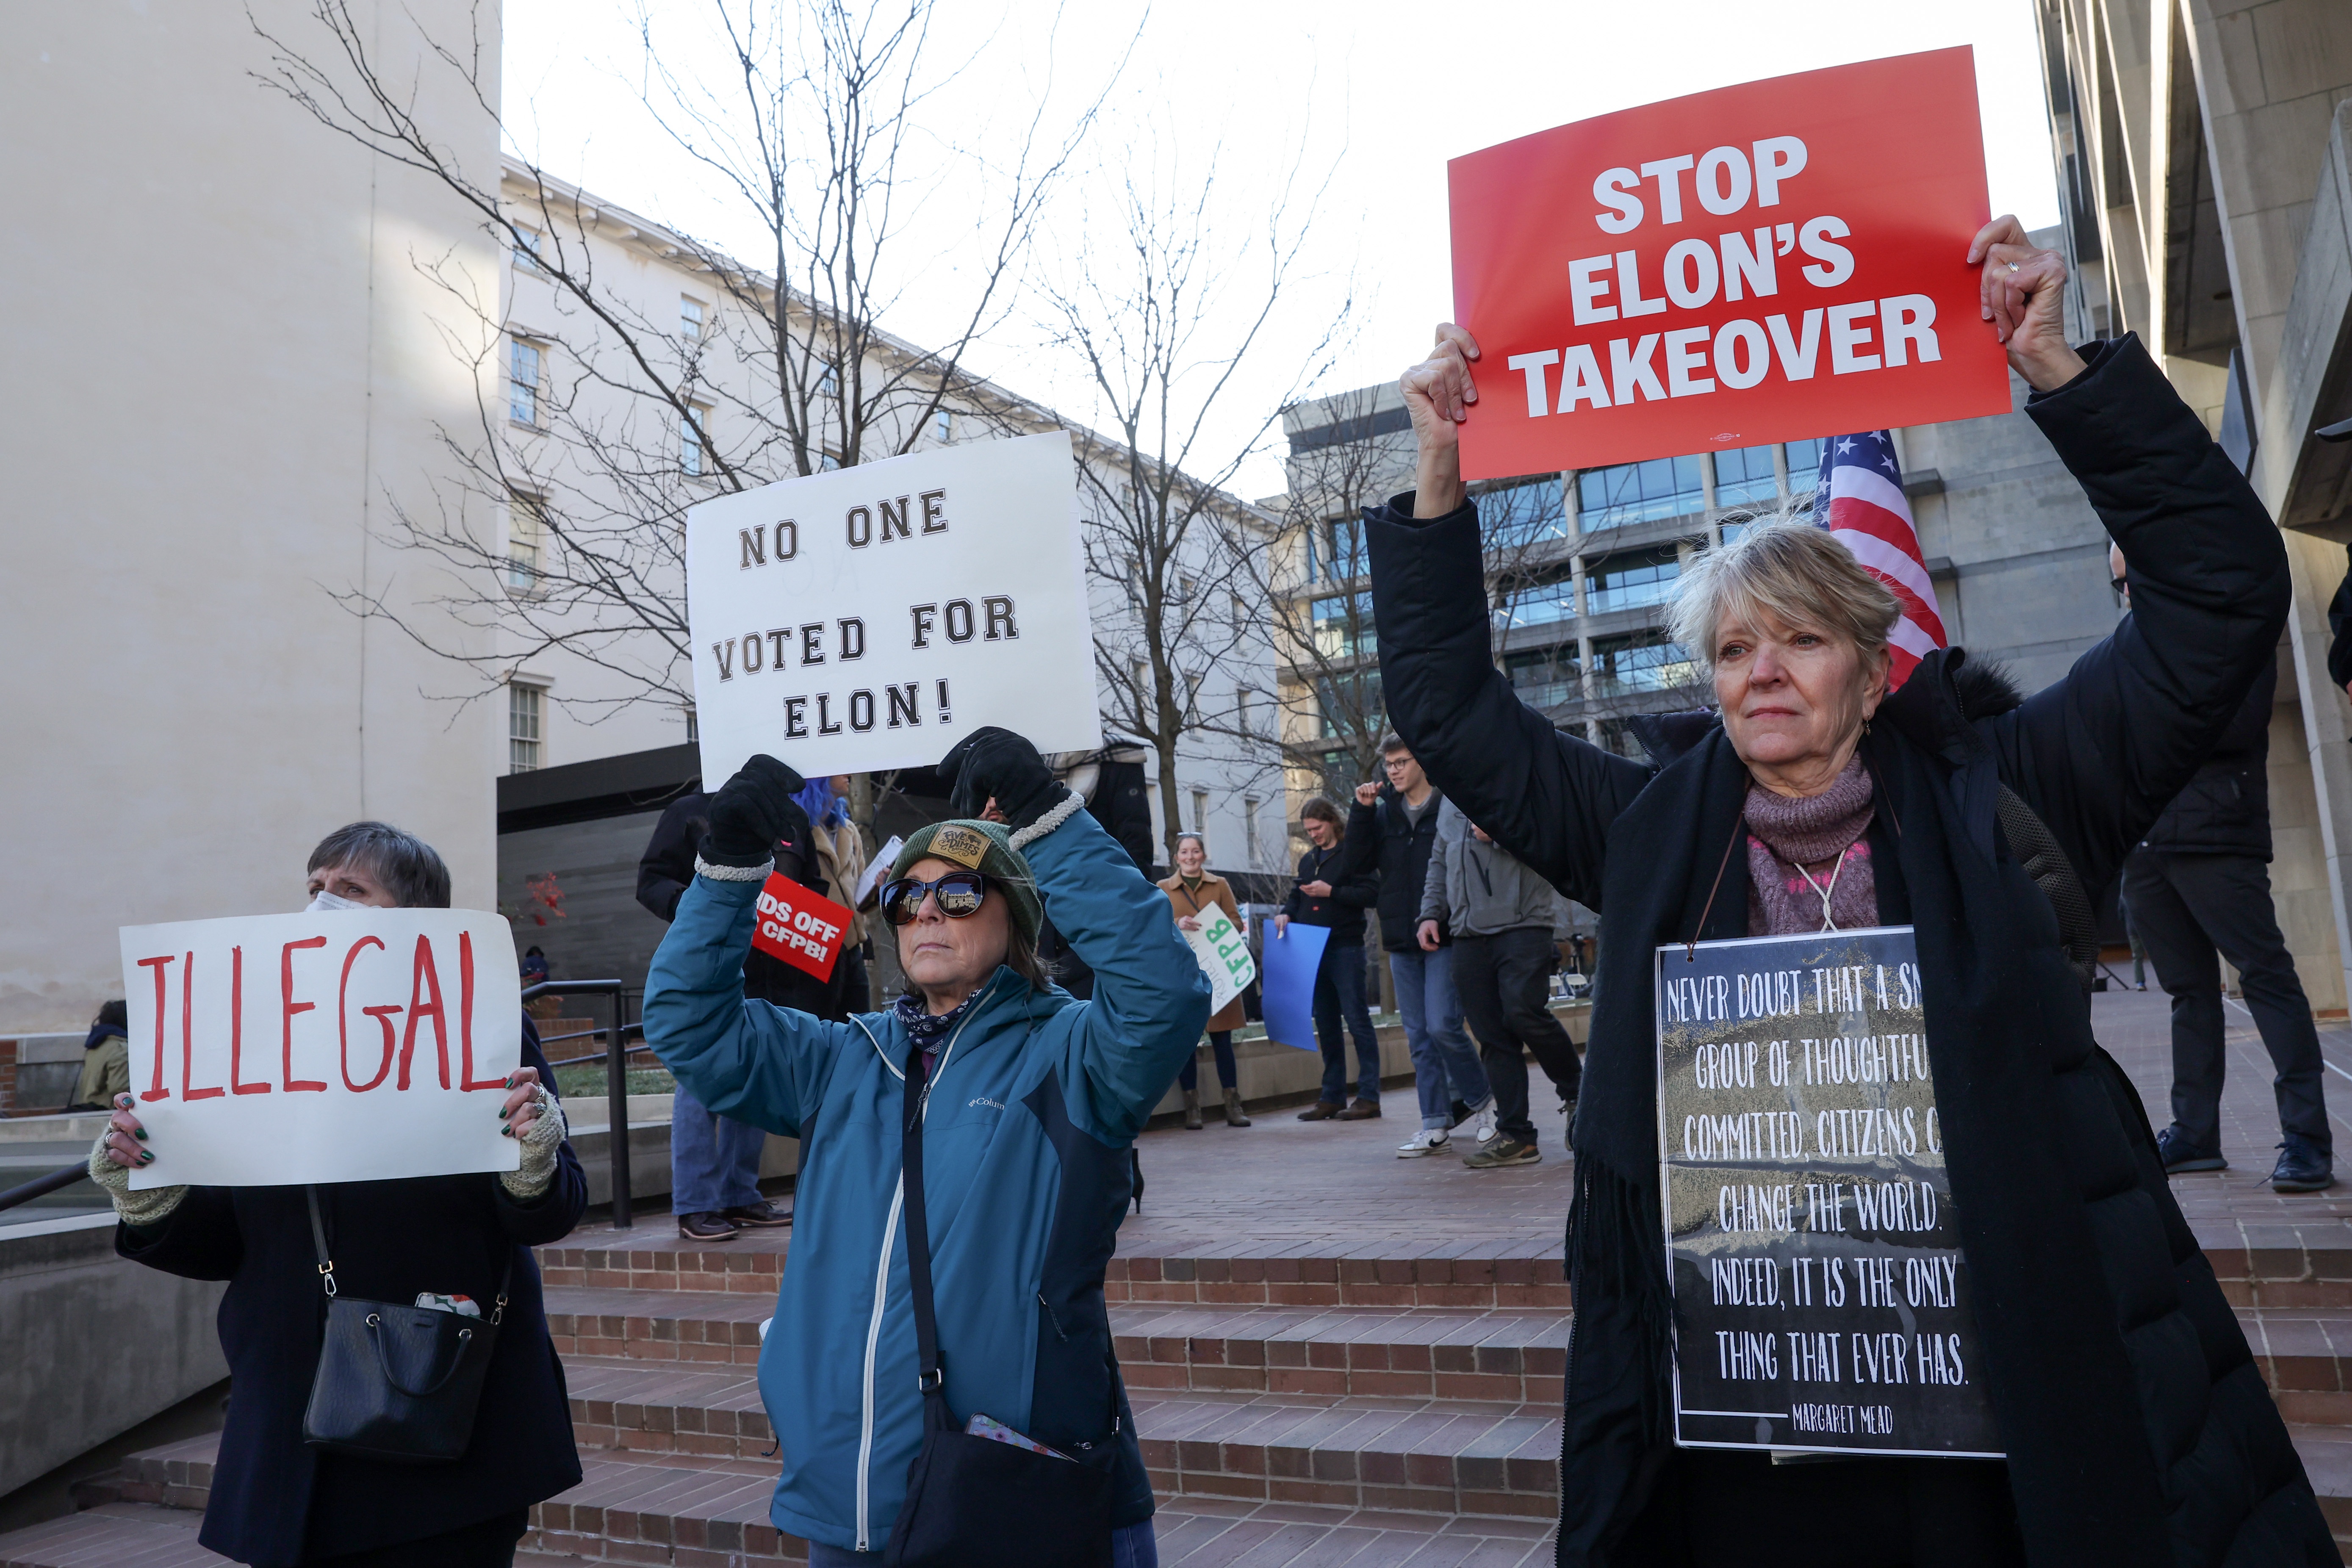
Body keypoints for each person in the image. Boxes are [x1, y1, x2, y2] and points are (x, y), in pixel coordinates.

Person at [1365, 219, 2333, 1563]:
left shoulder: (2014, 791)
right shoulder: (1654, 835)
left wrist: (2056, 366)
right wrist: (1435, 474)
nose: (1761, 669)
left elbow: (2221, 594)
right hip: (1761, 1412)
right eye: (1732, 647)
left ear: (1874, 672)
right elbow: (1453, 712)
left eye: (1802, 638)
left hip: (2012, 1389)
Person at [640, 731, 1207, 1565]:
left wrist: (1048, 816)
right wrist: (726, 873)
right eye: (906, 899)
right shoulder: (846, 1058)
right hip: (849, 1495)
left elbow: (1163, 993)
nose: (927, 911)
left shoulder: (1071, 1055)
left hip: (1012, 1491)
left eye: (959, 892)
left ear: (1013, 910)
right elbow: (693, 1029)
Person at [89, 821, 586, 1568]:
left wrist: (528, 1159)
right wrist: (146, 1194)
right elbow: (230, 1241)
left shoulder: (476, 1026)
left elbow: (550, 1206)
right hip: (292, 1419)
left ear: (413, 921)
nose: (323, 905)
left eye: (351, 890)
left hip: (437, 1403)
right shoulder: (253, 1042)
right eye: (315, 887)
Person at [2112, 544, 2333, 1190]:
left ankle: (2307, 1140)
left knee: (2266, 977)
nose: (2125, 592)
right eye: (2117, 582)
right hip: (2146, 841)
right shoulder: (2133, 643)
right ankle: (2195, 1134)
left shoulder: (2228, 629)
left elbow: (2234, 724)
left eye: (2134, 577)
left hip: (2215, 833)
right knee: (2188, 993)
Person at [637, 784, 816, 1240]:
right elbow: (651, 882)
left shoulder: (791, 817)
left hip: (773, 973)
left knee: (752, 1075)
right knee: (698, 1088)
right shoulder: (687, 811)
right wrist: (696, 909)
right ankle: (696, 1202)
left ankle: (740, 1194)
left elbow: (811, 891)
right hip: (709, 974)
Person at [1332, 736, 1495, 1155]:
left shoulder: (1449, 809)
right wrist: (1361, 813)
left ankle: (1484, 1104)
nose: (1394, 771)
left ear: (1422, 763)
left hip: (1445, 933)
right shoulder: (1383, 815)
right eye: (1388, 765)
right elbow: (1353, 867)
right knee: (1419, 1036)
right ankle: (1435, 1123)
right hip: (1401, 937)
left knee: (1443, 1025)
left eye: (1401, 762)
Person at [1417, 801, 1579, 1169]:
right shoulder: (1446, 800)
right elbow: (1439, 862)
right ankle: (1517, 1137)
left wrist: (1502, 835)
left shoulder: (1513, 782)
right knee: (1491, 1034)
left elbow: (1552, 844)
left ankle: (1577, 1093)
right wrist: (1430, 913)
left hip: (1523, 925)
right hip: (1466, 933)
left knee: (1523, 1014)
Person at [1274, 796, 1382, 1120]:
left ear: (1332, 822)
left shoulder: (1353, 855)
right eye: (1308, 831)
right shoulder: (1308, 860)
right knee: (1326, 1023)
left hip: (1345, 947)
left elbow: (1371, 894)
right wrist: (1286, 914)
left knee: (1357, 1020)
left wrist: (1331, 892)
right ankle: (1332, 1095)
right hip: (1311, 948)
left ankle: (1368, 1096)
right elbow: (1297, 893)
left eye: (1317, 828)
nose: (1314, 835)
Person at [1158, 831, 1251, 1128]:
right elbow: (1153, 927)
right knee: (1186, 1044)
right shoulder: (1162, 888)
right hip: (1184, 977)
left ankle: (1233, 1106)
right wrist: (1177, 923)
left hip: (1220, 971)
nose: (1190, 857)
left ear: (1203, 854)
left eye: (1195, 851)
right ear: (1176, 858)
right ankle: (1192, 1109)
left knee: (1223, 1042)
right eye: (1184, 853)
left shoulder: (1220, 885)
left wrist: (1217, 924)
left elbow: (1237, 921)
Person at [800, 773, 874, 1012]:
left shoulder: (849, 830)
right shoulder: (796, 831)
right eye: (837, 768)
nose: (849, 774)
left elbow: (860, 893)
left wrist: (879, 886)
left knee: (860, 1031)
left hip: (853, 950)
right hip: (813, 952)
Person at [65, 998, 130, 1112]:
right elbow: (121, 1089)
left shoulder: (98, 1044)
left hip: (91, 1111)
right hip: (109, 1115)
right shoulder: (121, 1049)